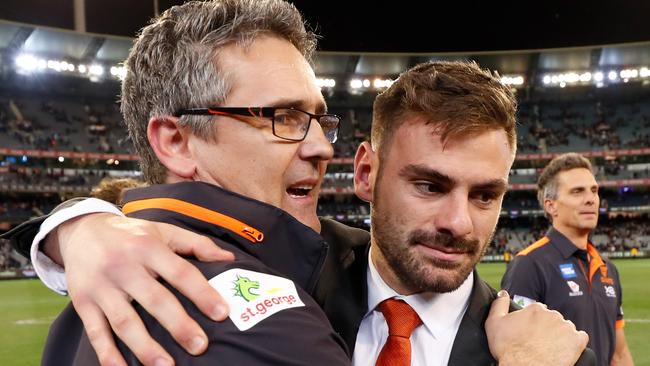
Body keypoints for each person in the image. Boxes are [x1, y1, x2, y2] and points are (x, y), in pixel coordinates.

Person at [1, 3, 594, 366]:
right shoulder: (286, 276)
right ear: (365, 174)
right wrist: (77, 229)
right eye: (428, 186)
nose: (459, 223)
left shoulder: (554, 350)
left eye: (485, 194)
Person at [23, 0, 355, 365]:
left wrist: (71, 225)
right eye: (283, 117)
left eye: (320, 121)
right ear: (176, 142)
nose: (322, 147)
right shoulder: (277, 329)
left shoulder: (80, 313)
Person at [501, 153, 634, 366]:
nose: (591, 198)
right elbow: (514, 354)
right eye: (577, 191)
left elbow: (619, 354)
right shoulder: (529, 265)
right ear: (551, 205)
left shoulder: (608, 269)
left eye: (594, 190)